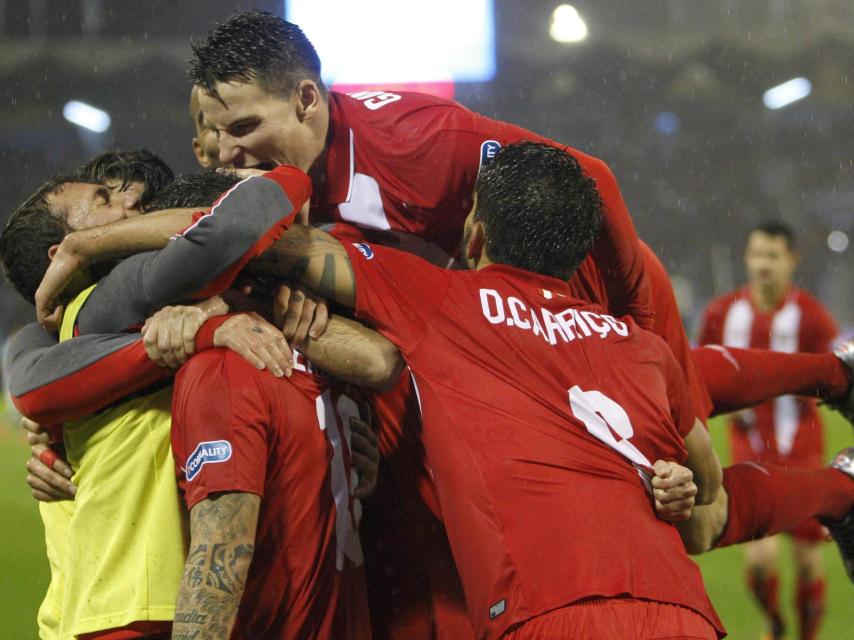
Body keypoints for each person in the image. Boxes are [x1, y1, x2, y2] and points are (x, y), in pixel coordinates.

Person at [3, 166, 396, 638]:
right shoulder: (124, 291)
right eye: (106, 200)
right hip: (132, 609)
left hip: (108, 607)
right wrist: (289, 175)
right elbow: (231, 229)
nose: (132, 210)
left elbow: (379, 362)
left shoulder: (100, 329)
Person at [698, 221, 840, 640]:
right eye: (757, 254)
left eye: (773, 256)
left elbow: (834, 377)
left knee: (808, 561)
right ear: (746, 257)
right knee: (760, 563)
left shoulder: (811, 317)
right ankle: (775, 624)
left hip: (801, 450)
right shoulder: (721, 314)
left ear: (792, 260)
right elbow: (698, 374)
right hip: (750, 451)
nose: (764, 264)